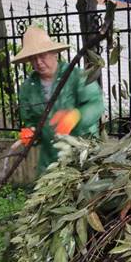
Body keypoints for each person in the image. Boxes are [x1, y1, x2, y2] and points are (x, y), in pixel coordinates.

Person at [12, 26, 105, 174]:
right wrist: (31, 134)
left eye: (42, 56)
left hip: (84, 154)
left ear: (54, 53)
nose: (39, 62)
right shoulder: (28, 88)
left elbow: (97, 103)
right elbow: (32, 121)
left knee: (86, 195)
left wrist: (76, 116)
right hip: (50, 161)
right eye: (33, 58)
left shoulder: (76, 76)